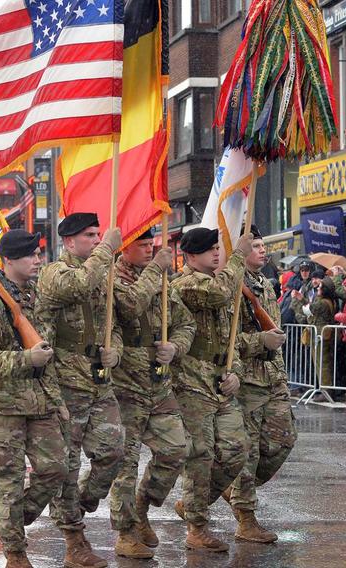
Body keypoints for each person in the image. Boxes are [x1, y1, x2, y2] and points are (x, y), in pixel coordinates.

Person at [0, 230, 68, 568]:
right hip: (1, 409)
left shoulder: (37, 298)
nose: (38, 260)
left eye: (39, 254)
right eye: (30, 255)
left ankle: (10, 522)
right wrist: (27, 360)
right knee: (9, 486)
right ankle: (15, 554)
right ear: (8, 261)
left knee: (56, 468)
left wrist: (58, 399)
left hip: (40, 404)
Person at [37, 212, 124, 568]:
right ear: (69, 242)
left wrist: (114, 350)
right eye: (90, 235)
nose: (97, 239)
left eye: (98, 234)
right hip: (66, 385)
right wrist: (107, 250)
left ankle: (75, 503)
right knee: (67, 467)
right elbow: (79, 286)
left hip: (99, 381)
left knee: (113, 452)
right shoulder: (54, 273)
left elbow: (112, 323)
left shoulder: (102, 273)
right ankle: (74, 539)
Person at [109, 228, 196, 559]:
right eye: (142, 244)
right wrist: (157, 270)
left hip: (157, 384)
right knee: (125, 463)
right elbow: (129, 307)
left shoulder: (161, 282)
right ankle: (125, 531)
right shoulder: (112, 280)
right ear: (125, 247)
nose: (149, 249)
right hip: (124, 386)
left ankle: (143, 505)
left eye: (152, 244)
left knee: (175, 448)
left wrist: (175, 347)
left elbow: (186, 324)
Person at [169, 227, 252, 552]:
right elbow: (218, 293)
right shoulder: (186, 283)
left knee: (236, 451)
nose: (216, 254)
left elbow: (232, 341)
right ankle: (197, 526)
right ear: (190, 256)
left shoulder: (222, 280)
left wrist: (236, 374)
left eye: (218, 248)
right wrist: (238, 256)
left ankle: (192, 505)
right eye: (208, 250)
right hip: (192, 383)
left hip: (221, 379)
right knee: (199, 457)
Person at [228, 225, 297, 543]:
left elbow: (276, 333)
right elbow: (227, 341)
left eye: (262, 244)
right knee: (249, 450)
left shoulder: (265, 285)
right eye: (255, 245)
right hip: (248, 379)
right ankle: (246, 517)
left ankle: (228, 487)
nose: (262, 249)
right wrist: (260, 341)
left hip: (273, 376)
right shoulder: (233, 287)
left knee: (283, 441)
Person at [291, 277, 339, 388]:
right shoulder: (325, 301)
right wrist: (302, 299)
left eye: (320, 287)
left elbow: (307, 310)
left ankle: (326, 389)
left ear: (325, 290)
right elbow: (310, 307)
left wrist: (294, 300)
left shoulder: (323, 303)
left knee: (322, 364)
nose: (317, 288)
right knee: (321, 363)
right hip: (320, 335)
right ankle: (325, 387)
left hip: (320, 336)